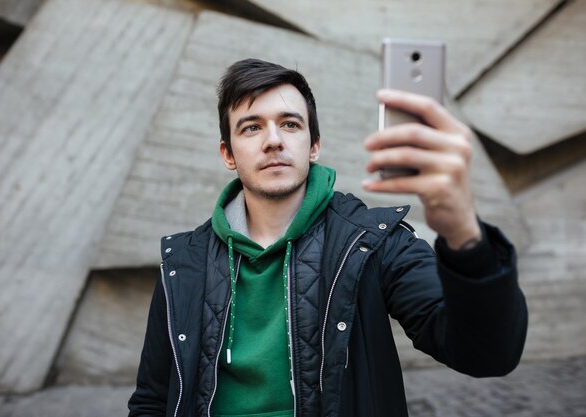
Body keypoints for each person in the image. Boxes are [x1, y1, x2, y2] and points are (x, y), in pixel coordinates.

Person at [128, 58, 527, 417]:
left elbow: (487, 355)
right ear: (228, 154)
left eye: (290, 124)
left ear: (313, 145)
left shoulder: (371, 241)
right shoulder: (184, 261)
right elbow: (151, 399)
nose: (273, 140)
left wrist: (463, 235)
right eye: (251, 127)